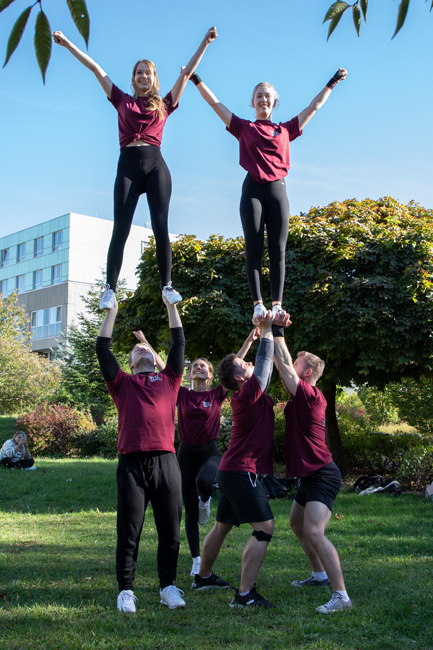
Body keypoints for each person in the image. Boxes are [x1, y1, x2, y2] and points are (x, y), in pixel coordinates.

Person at [53, 27, 218, 310]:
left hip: (156, 166)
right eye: (139, 72)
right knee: (121, 227)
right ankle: (110, 289)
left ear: (154, 78)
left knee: (161, 226)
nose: (144, 76)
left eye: (148, 73)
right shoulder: (122, 99)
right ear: (134, 78)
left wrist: (205, 42)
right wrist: (67, 43)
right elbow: (96, 69)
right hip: (128, 166)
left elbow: (187, 74)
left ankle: (167, 286)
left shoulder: (165, 103)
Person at [190, 68, 347, 319]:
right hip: (252, 190)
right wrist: (196, 79)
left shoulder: (285, 129)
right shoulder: (243, 127)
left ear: (274, 102)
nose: (263, 99)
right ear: (252, 102)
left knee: (278, 250)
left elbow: (314, 107)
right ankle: (258, 304)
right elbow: (215, 104)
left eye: (267, 96)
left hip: (277, 191)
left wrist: (332, 82)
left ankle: (276, 304)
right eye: (259, 96)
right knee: (253, 249)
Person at [191, 311, 290, 609]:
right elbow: (264, 363)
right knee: (265, 528)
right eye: (243, 365)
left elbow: (263, 364)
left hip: (231, 470)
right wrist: (267, 329)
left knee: (221, 526)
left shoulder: (246, 393)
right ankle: (245, 595)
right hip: (241, 472)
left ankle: (203, 577)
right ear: (239, 378)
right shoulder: (248, 392)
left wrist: (269, 330)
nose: (249, 364)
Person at [95, 293, 186, 612]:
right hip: (131, 463)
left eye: (145, 347)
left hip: (166, 461)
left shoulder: (170, 379)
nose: (141, 348)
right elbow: (102, 348)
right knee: (129, 530)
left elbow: (178, 343)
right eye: (136, 349)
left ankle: (168, 586)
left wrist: (171, 306)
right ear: (131, 365)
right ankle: (126, 590)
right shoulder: (121, 383)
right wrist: (112, 312)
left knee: (170, 530)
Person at [272, 324, 352, 614]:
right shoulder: (301, 395)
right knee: (297, 523)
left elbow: (283, 364)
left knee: (314, 532)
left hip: (323, 474)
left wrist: (276, 329)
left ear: (306, 373)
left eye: (298, 363)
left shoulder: (310, 395)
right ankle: (318, 575)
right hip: (310, 475)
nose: (291, 365)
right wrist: (269, 334)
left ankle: (341, 596)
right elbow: (282, 365)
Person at [177, 328, 261, 578]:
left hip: (210, 452)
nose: (198, 367)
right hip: (185, 454)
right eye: (194, 366)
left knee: (204, 481)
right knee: (189, 511)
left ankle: (206, 499)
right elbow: (164, 367)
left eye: (203, 366)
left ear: (211, 375)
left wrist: (249, 340)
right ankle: (196, 559)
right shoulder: (181, 394)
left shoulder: (216, 394)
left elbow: (234, 366)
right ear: (189, 374)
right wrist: (147, 344)